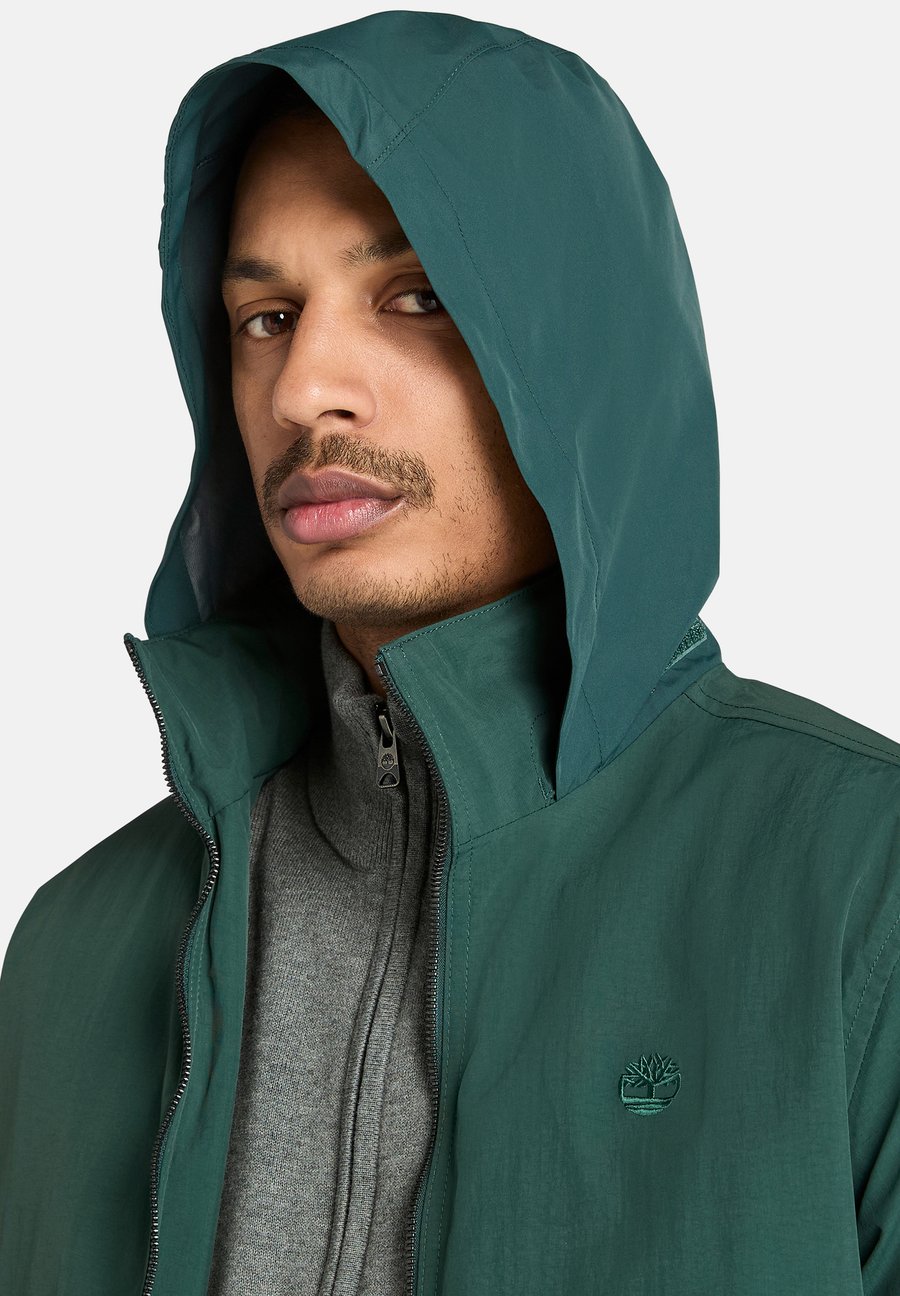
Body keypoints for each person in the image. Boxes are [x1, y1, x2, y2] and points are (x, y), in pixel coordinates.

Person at [1, 9, 897, 1295]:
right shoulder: (74, 950)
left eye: (416, 296)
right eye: (265, 317)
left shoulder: (862, 885)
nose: (304, 389)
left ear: (583, 352)